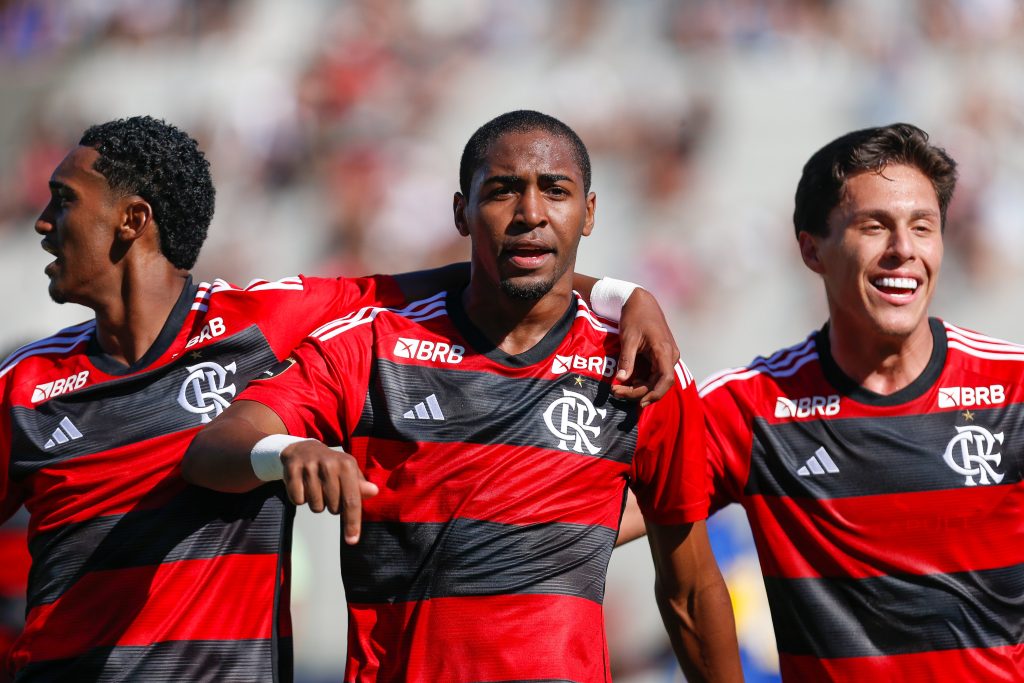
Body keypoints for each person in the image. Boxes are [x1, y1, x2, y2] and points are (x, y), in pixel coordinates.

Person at [0, 115, 682, 681]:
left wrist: (621, 295)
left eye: (64, 201)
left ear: (131, 220)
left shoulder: (265, 323)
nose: (43, 221)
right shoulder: (23, 385)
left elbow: (495, 268)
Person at [182, 110, 743, 682]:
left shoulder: (639, 369)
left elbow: (692, 589)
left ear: (589, 213)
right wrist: (284, 452)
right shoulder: (374, 347)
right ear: (461, 213)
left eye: (555, 191)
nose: (530, 213)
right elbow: (213, 449)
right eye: (503, 191)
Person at [648, 123, 1022, 681]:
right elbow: (588, 505)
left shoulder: (1013, 388)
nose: (904, 251)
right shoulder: (749, 407)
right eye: (875, 226)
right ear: (811, 250)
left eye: (924, 227)